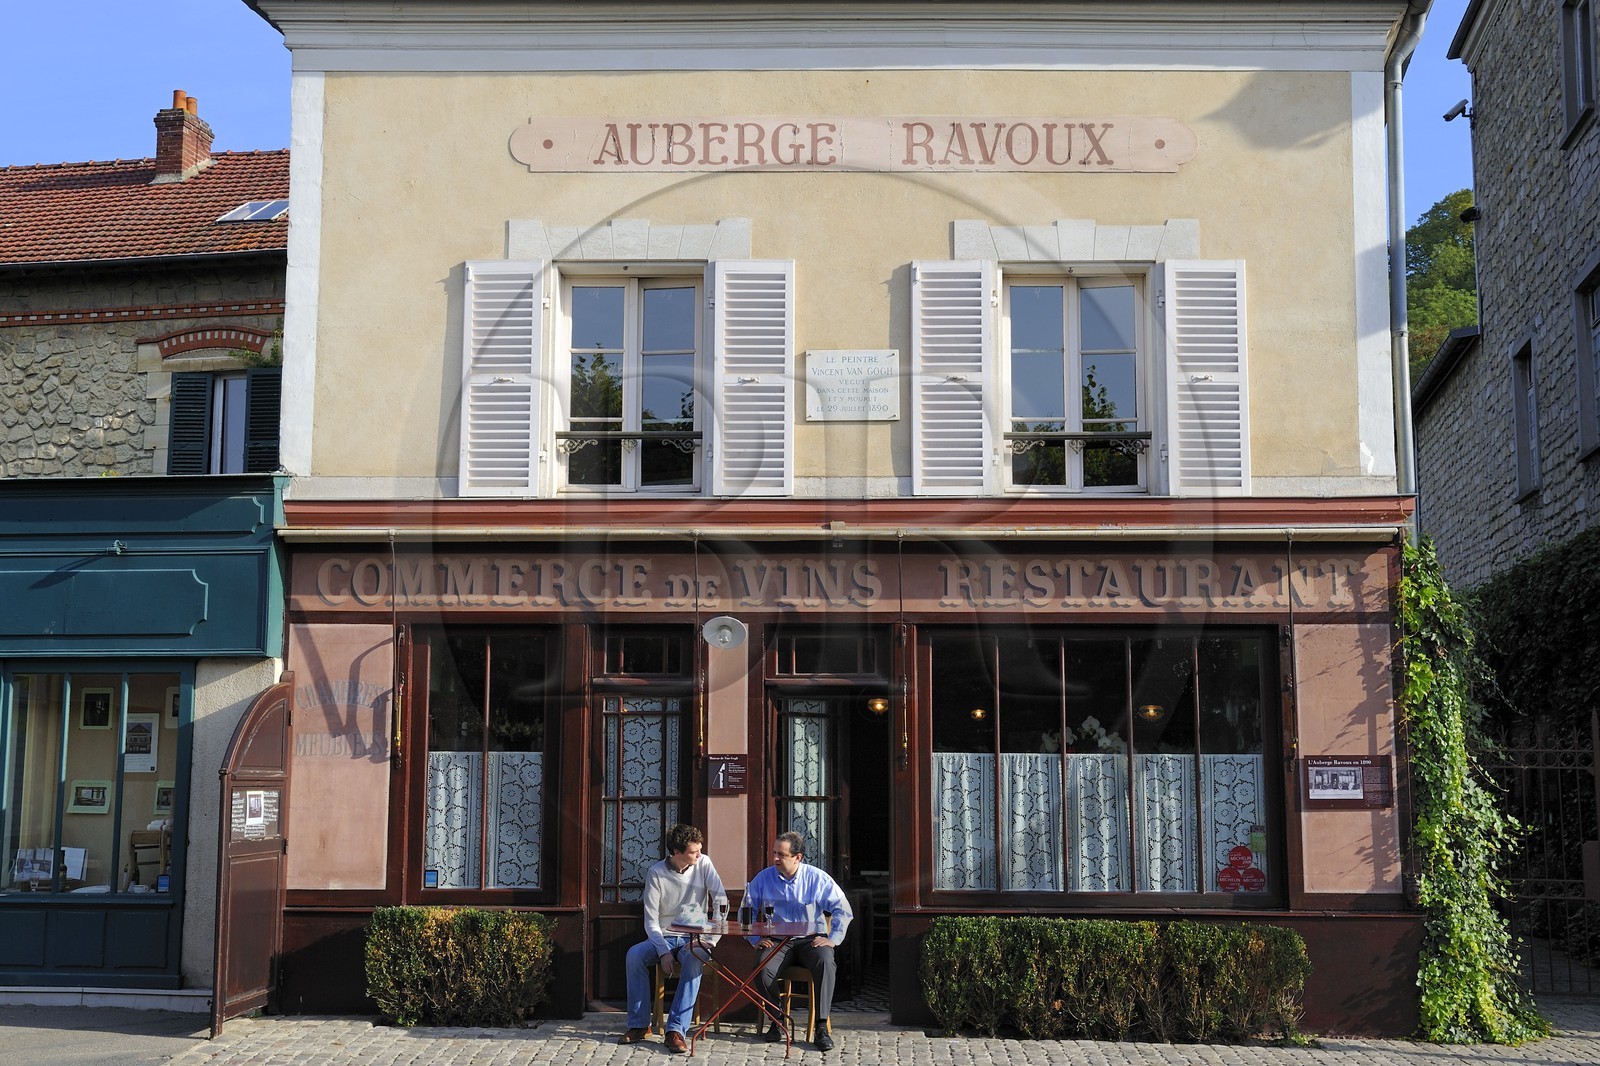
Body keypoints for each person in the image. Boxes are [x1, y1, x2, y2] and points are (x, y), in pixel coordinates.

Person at [619, 823, 727, 1054]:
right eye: (694, 851)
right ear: (677, 852)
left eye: (700, 850)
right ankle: (639, 1025)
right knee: (634, 955)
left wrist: (710, 939)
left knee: (695, 958)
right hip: (664, 936)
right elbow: (650, 920)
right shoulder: (656, 872)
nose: (699, 855)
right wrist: (663, 952)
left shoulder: (704, 863)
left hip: (695, 937)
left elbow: (721, 901)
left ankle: (675, 1031)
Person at [745, 830, 852, 1053]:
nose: (775, 858)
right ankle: (778, 1020)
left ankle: (821, 1027)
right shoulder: (763, 878)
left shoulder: (817, 878)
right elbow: (746, 910)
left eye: (781, 855)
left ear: (798, 857)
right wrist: (755, 938)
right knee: (761, 968)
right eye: (774, 853)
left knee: (826, 963)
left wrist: (833, 939)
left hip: (810, 941)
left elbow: (843, 908)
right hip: (777, 941)